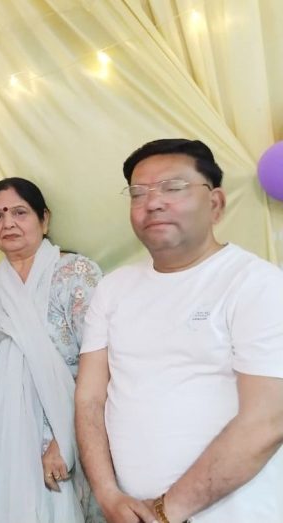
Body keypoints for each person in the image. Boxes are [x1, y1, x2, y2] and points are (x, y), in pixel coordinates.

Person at [75, 139, 283, 522]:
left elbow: (267, 420)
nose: (153, 202)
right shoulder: (113, 289)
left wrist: (166, 512)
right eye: (138, 193)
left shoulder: (257, 283)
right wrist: (107, 494)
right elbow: (89, 398)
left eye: (173, 187)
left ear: (216, 204)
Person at [0, 178, 103, 522]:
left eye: (19, 212)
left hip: (64, 436)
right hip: (4, 441)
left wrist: (64, 439)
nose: (8, 223)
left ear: (44, 220)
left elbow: (102, 364)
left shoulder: (75, 273)